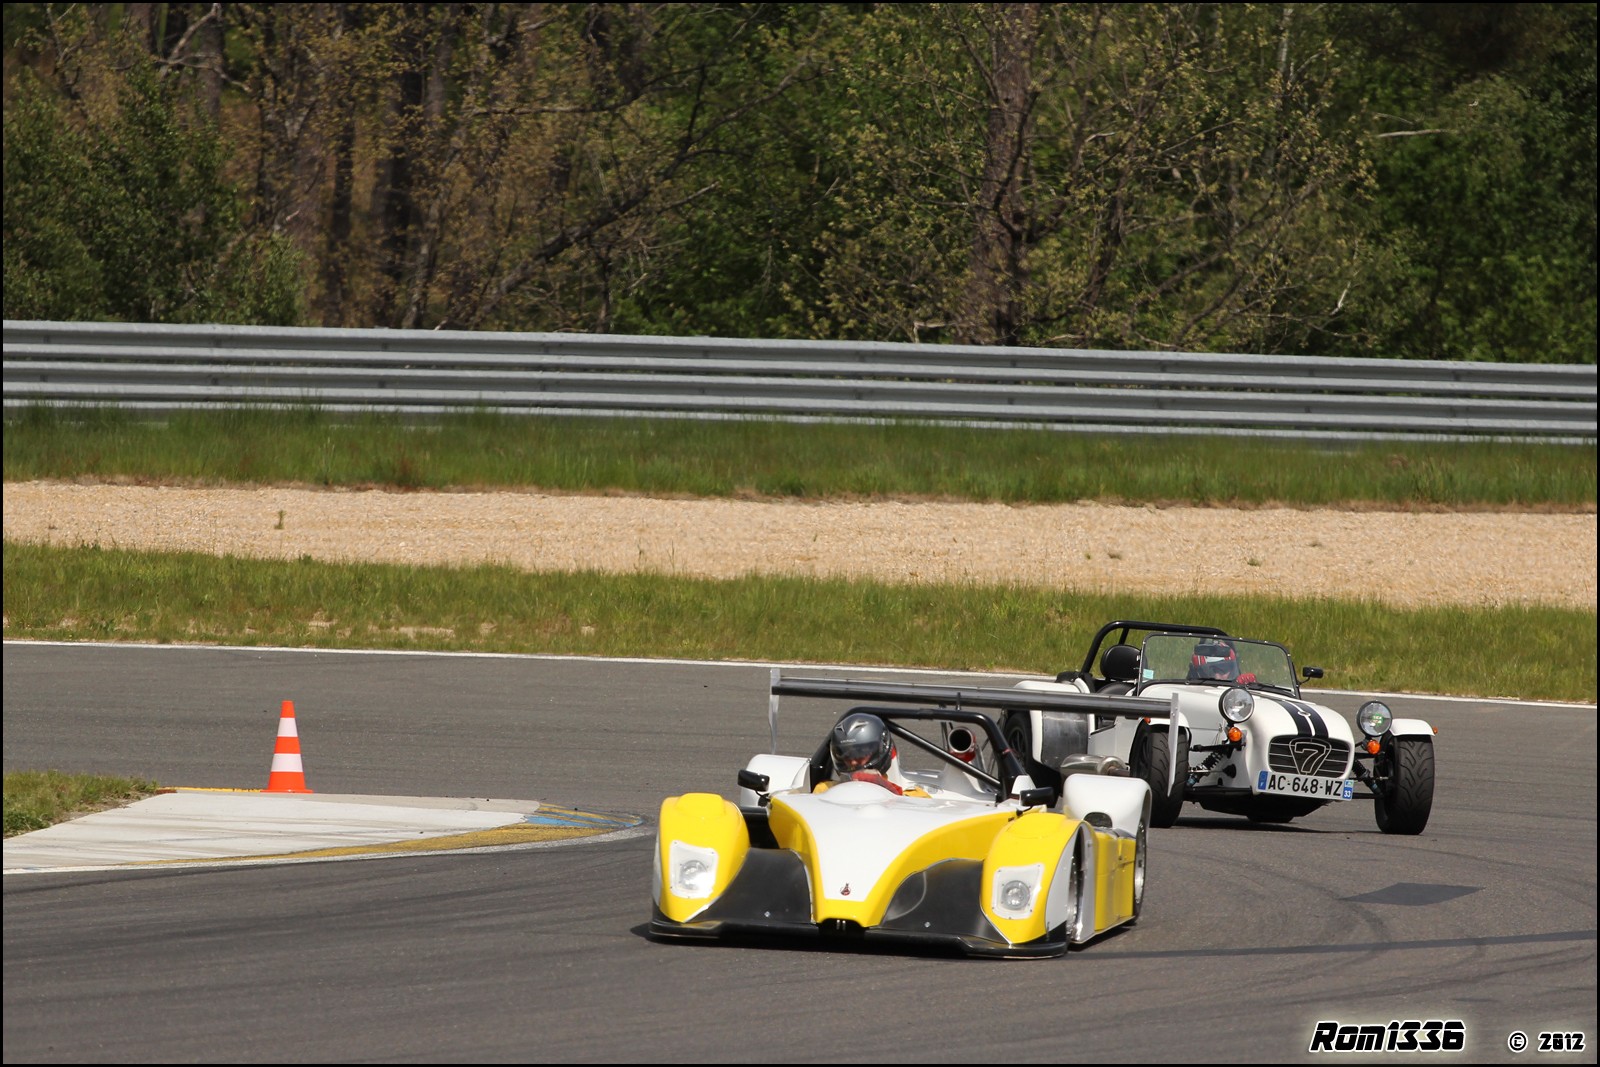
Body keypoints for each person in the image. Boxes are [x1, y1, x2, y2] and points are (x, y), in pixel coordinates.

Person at [817, 712, 928, 796]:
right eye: (845, 755)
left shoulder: (915, 797)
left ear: (879, 750)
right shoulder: (824, 790)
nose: (853, 761)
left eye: (860, 753)